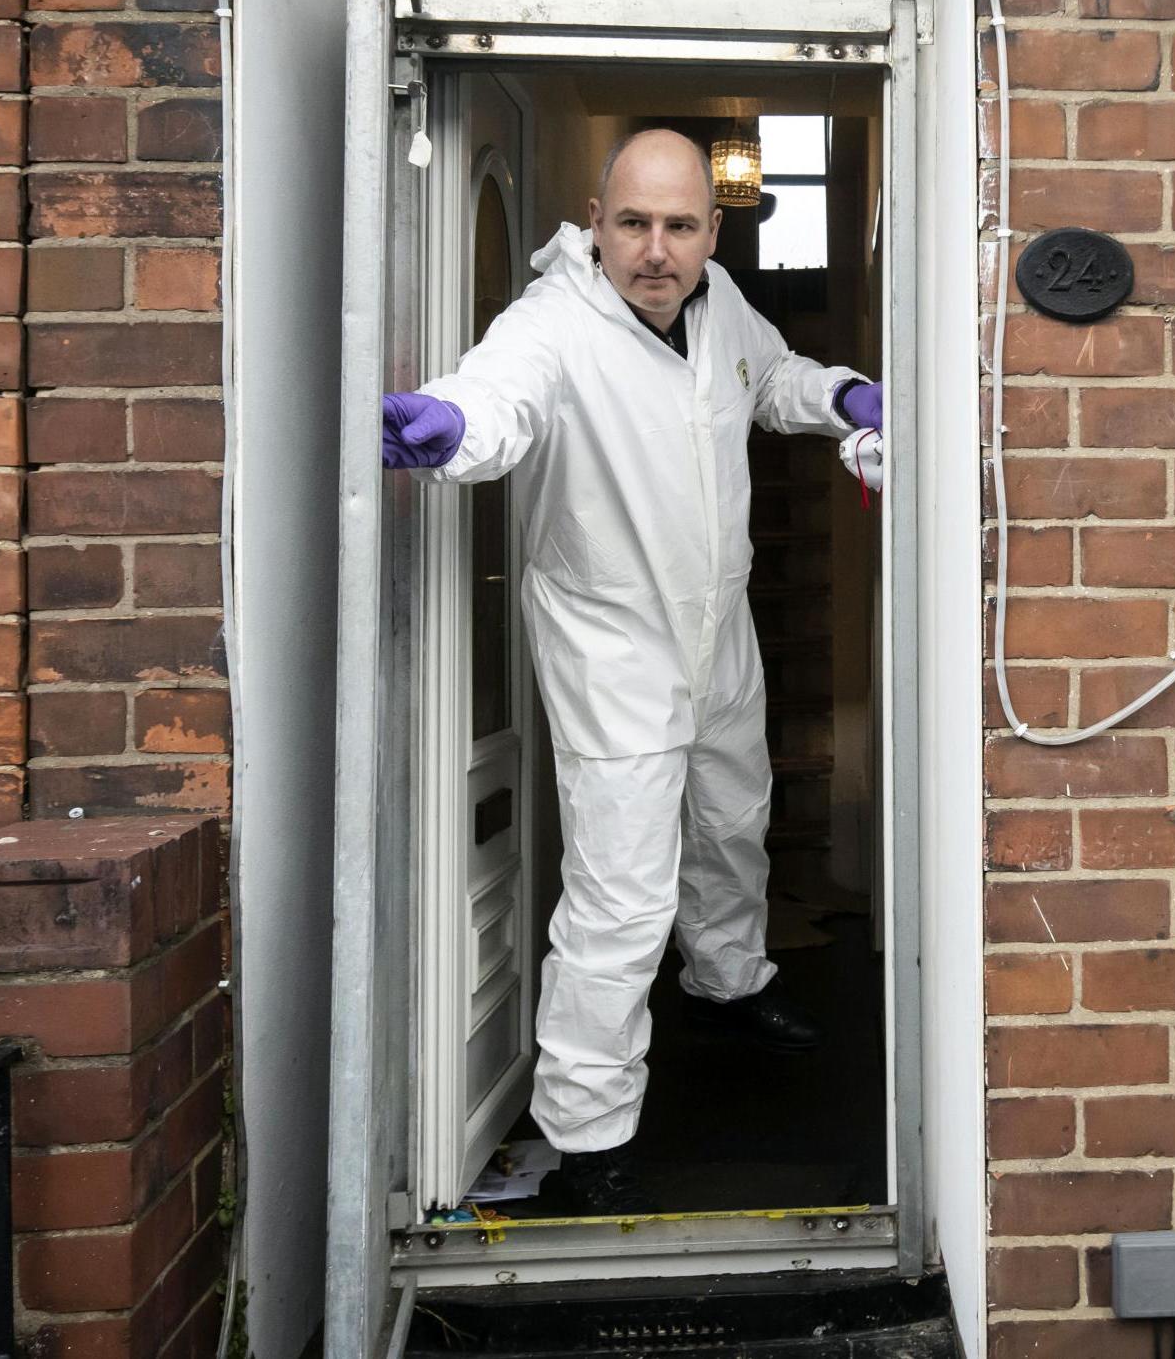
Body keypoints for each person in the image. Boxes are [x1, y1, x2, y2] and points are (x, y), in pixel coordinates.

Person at [380, 128, 886, 1216]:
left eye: (680, 226)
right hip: (612, 644)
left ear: (713, 231)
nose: (656, 251)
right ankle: (590, 1127)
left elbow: (771, 378)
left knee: (734, 817)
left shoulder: (720, 306)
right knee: (618, 900)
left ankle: (727, 978)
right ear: (596, 221)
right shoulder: (551, 325)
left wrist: (844, 396)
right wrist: (448, 425)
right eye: (633, 224)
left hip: (719, 628)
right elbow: (497, 398)